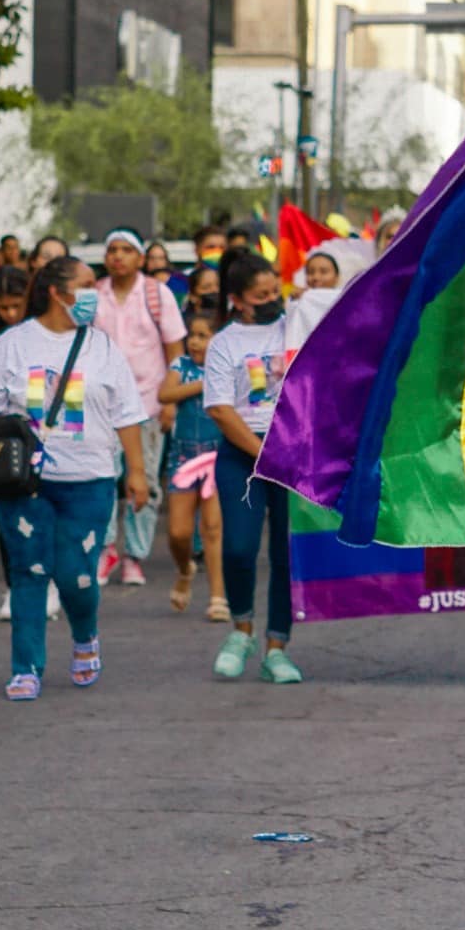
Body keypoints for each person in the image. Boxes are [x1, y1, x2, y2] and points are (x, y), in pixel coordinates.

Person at [0, 255, 149, 701]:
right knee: (29, 569)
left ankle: (85, 635)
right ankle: (26, 667)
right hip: (25, 482)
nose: (93, 292)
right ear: (58, 293)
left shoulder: (103, 347)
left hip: (90, 478)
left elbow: (128, 413)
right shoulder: (12, 345)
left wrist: (136, 471)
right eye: (85, 284)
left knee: (77, 575)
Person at [204, 249, 300, 684]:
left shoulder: (293, 325)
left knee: (286, 553)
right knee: (240, 547)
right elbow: (221, 410)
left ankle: (277, 647)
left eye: (273, 290)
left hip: (293, 452)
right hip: (243, 454)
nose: (271, 299)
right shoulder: (224, 343)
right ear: (239, 300)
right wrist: (264, 455)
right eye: (260, 295)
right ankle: (241, 630)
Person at [92, 228, 186, 587]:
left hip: (146, 402)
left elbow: (175, 352)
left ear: (140, 258)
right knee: (102, 478)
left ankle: (134, 555)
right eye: (112, 250)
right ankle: (105, 549)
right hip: (101, 405)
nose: (118, 256)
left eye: (126, 250)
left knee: (144, 479)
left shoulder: (157, 295)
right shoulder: (94, 296)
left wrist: (171, 402)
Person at [0, 266, 59, 623]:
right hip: (2, 434)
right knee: (9, 511)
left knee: (47, 511)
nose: (9, 314)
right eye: (2, 307)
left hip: (47, 430)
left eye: (16, 305)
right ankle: (14, 585)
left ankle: (49, 582)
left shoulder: (47, 332)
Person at [158, 311, 228, 620]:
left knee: (213, 528)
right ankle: (185, 568)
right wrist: (202, 384)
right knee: (178, 532)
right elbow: (165, 393)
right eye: (192, 335)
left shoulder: (226, 369)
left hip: (217, 455)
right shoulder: (181, 367)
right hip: (184, 457)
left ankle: (217, 597)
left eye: (203, 335)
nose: (195, 342)